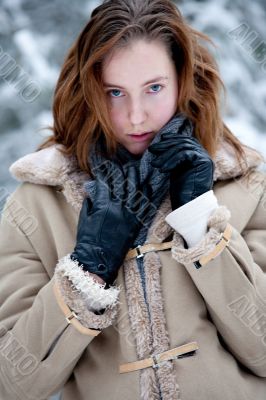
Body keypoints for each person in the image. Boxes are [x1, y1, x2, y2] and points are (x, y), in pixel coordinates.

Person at [0, 0, 266, 399]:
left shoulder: (244, 185)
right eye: (114, 92)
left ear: (183, 82)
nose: (136, 116)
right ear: (88, 90)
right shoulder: (34, 206)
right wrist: (88, 268)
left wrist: (200, 220)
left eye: (154, 88)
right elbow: (14, 384)